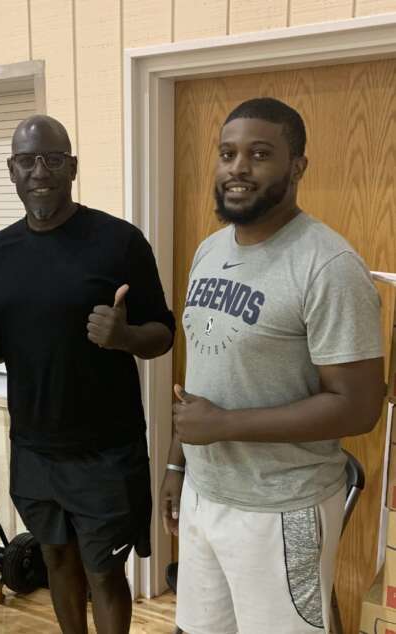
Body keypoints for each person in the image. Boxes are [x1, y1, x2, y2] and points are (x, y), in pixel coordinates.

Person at [0, 114, 175, 634]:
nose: (39, 170)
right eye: (27, 160)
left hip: (106, 451)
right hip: (34, 447)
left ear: (72, 166)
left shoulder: (119, 241)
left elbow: (163, 332)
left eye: (51, 158)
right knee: (57, 563)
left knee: (104, 572)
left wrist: (126, 337)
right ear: (12, 170)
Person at [160, 97, 385, 634]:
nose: (238, 167)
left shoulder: (328, 265)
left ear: (297, 166)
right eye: (227, 153)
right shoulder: (209, 250)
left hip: (282, 506)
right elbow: (203, 373)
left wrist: (224, 427)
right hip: (205, 494)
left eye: (259, 154)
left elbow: (359, 408)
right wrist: (177, 464)